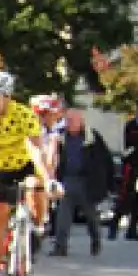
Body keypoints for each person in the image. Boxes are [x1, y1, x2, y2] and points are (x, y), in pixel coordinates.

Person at [0, 71, 54, 276]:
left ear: (7, 97)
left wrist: (47, 179)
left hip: (26, 164)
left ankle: (37, 227)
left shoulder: (23, 115)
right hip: (0, 170)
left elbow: (36, 150)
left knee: (34, 186)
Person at [48, 108, 113, 256]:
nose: (68, 123)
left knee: (91, 216)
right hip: (67, 179)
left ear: (80, 122)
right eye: (67, 120)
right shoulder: (60, 136)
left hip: (87, 182)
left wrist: (108, 183)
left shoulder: (92, 136)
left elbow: (105, 160)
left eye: (72, 120)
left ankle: (96, 240)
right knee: (63, 215)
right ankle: (60, 246)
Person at [114, 104, 138, 240]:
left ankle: (132, 230)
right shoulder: (131, 125)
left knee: (137, 199)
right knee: (125, 196)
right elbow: (133, 143)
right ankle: (113, 225)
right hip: (131, 165)